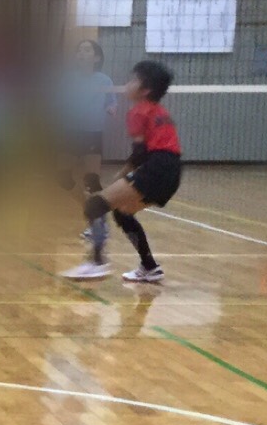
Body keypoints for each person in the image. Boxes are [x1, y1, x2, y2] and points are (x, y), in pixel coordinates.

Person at [66, 59, 181, 283]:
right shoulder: (160, 111)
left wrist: (122, 173)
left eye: (133, 80)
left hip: (157, 168)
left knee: (94, 205)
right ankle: (149, 267)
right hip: (172, 172)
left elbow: (139, 153)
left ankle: (96, 263)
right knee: (122, 212)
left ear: (145, 90)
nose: (127, 84)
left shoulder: (138, 111)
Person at [55, 37, 117, 213]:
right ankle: (86, 205)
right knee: (62, 177)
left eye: (87, 49)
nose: (81, 53)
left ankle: (98, 215)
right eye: (79, 50)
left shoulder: (104, 80)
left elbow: (112, 101)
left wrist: (112, 108)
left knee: (92, 180)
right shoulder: (68, 79)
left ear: (96, 58)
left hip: (92, 133)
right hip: (70, 132)